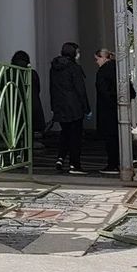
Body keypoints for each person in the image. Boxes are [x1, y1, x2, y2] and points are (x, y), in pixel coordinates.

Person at [50, 42, 90, 174]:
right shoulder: (74, 68)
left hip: (60, 106)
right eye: (77, 51)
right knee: (75, 137)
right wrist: (87, 108)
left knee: (65, 133)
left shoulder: (54, 68)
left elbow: (52, 88)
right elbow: (80, 90)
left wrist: (54, 106)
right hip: (74, 107)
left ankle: (60, 158)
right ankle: (74, 164)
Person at [94, 49, 120, 174]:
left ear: (103, 58)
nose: (96, 62)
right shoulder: (119, 69)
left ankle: (112, 164)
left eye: (97, 59)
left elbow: (103, 91)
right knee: (119, 137)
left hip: (107, 109)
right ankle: (122, 162)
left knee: (110, 139)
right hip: (119, 108)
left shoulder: (103, 71)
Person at [11, 50, 46, 138]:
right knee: (30, 133)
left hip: (14, 105)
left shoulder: (10, 73)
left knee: (15, 133)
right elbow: (38, 89)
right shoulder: (32, 73)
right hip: (32, 105)